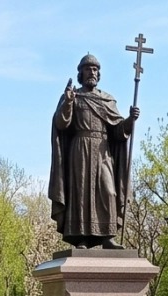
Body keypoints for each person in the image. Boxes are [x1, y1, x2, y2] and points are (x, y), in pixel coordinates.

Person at [48, 53, 138, 249]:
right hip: (79, 149)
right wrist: (68, 102)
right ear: (80, 73)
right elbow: (61, 124)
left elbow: (118, 131)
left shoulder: (107, 100)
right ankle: (81, 237)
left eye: (96, 69)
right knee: (80, 192)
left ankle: (108, 237)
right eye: (88, 69)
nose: (92, 72)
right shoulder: (73, 96)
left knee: (108, 191)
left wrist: (130, 120)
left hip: (103, 150)